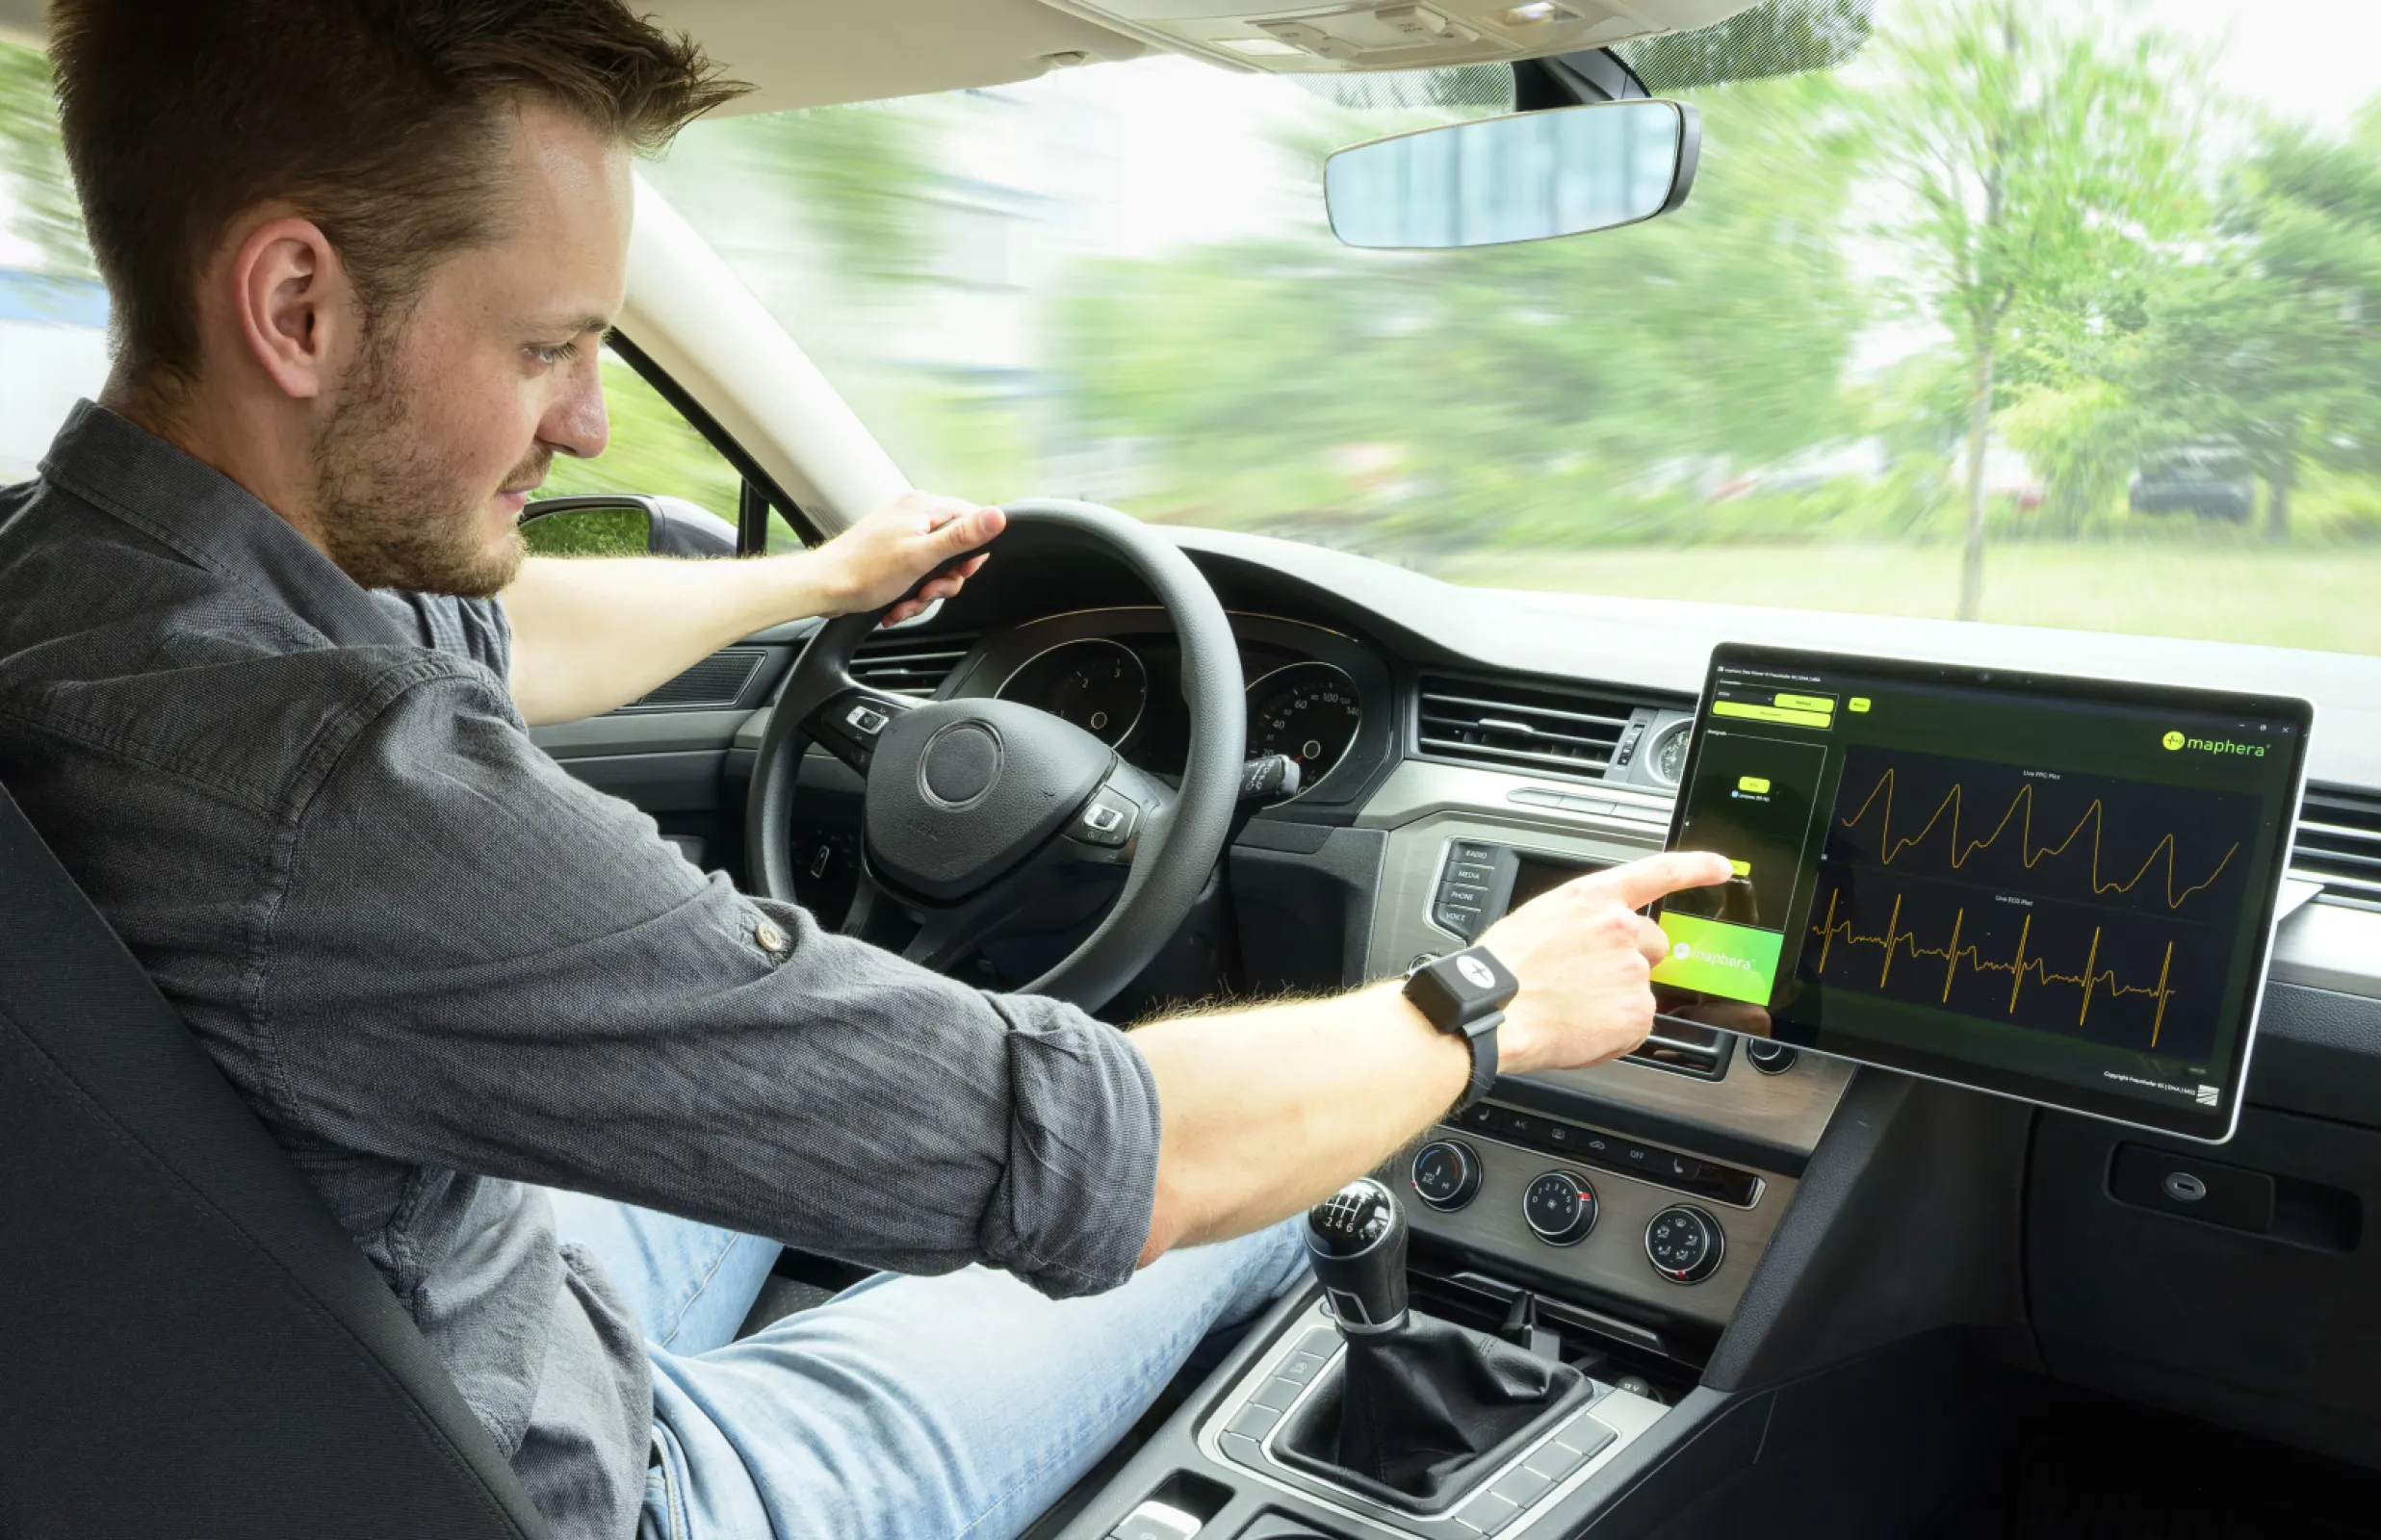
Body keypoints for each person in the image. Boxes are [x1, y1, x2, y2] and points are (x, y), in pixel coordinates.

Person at [0, 4, 1731, 1538]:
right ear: (298, 302)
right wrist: (1494, 1002)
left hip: (359, 1331)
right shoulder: (342, 798)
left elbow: (511, 632)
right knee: (1282, 1203)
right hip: (559, 1475)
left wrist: (823, 581)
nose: (593, 421)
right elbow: (1114, 1160)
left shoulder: (82, 586)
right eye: (545, 348)